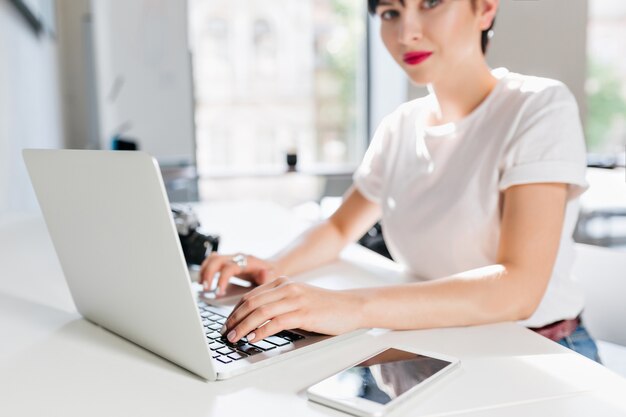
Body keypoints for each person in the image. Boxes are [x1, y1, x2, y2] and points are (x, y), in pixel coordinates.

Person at [200, 0, 600, 362]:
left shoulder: (538, 107)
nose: (407, 32)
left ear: (485, 9)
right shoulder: (400, 126)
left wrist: (350, 307)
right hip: (431, 347)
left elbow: (518, 289)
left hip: (536, 353)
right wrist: (271, 267)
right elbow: (340, 227)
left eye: (430, 4)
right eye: (391, 12)